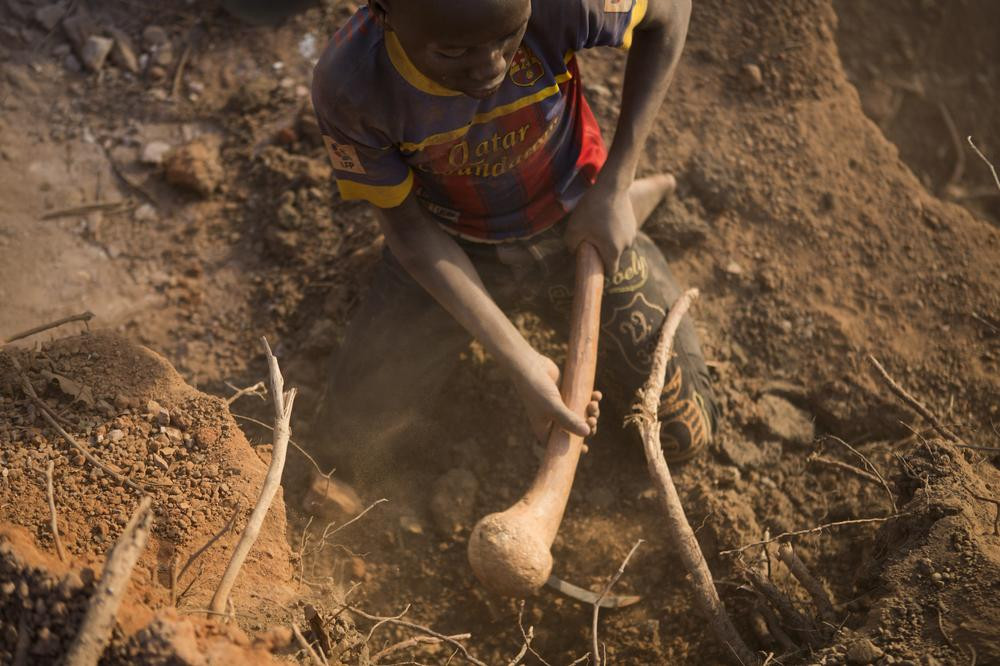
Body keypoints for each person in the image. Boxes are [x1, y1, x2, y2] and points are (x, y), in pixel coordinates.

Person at [310, 0, 717, 497]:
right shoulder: (352, 85)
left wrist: (614, 182)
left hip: (574, 217)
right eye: (452, 52)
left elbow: (671, 13)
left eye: (510, 36)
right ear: (383, 12)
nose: (490, 67)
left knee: (682, 432)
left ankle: (626, 203)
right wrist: (521, 362)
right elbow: (410, 232)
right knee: (345, 450)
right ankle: (631, 203)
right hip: (451, 248)